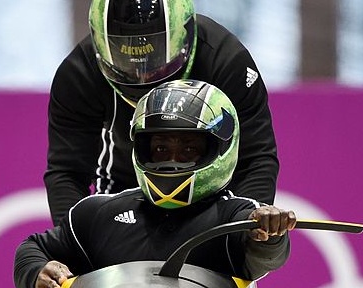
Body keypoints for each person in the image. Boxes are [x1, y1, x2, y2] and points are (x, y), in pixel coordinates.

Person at [16, 79, 296, 288]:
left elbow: (266, 254)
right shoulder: (97, 215)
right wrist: (37, 273)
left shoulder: (235, 218)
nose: (172, 161)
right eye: (161, 148)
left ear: (220, 149)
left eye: (188, 149)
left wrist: (269, 231)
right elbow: (34, 248)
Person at [44, 0, 279, 224]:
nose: (142, 74)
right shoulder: (78, 73)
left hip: (215, 203)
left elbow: (255, 157)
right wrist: (71, 246)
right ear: (101, 45)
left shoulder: (227, 60)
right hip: (125, 196)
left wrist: (249, 223)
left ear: (184, 34)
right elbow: (68, 171)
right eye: (127, 61)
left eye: (153, 56)